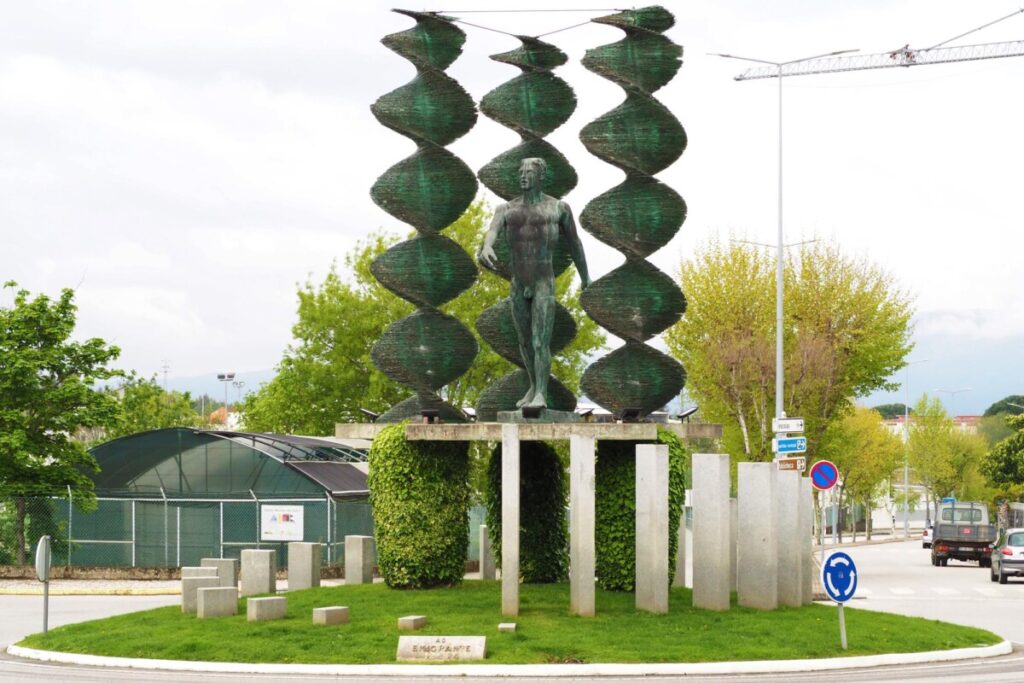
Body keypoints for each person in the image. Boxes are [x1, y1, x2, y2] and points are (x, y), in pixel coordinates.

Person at [479, 157, 591, 409]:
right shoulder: (506, 210)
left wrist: (585, 277)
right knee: (524, 341)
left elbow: (575, 244)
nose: (523, 175)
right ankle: (533, 386)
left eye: (529, 171)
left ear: (541, 176)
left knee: (540, 340)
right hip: (519, 283)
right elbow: (492, 231)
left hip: (543, 282)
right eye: (521, 171)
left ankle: (541, 392)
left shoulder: (558, 208)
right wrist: (486, 246)